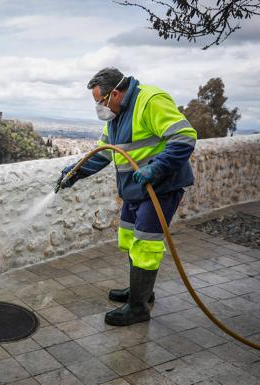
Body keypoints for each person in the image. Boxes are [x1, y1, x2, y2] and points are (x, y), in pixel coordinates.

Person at [57, 67, 197, 326]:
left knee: (145, 244)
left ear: (117, 93)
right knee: (130, 237)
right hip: (135, 189)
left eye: (101, 100)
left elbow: (184, 137)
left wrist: (156, 168)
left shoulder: (150, 101)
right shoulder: (116, 115)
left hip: (160, 188)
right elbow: (103, 152)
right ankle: (141, 291)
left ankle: (138, 308)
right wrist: (75, 173)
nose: (100, 106)